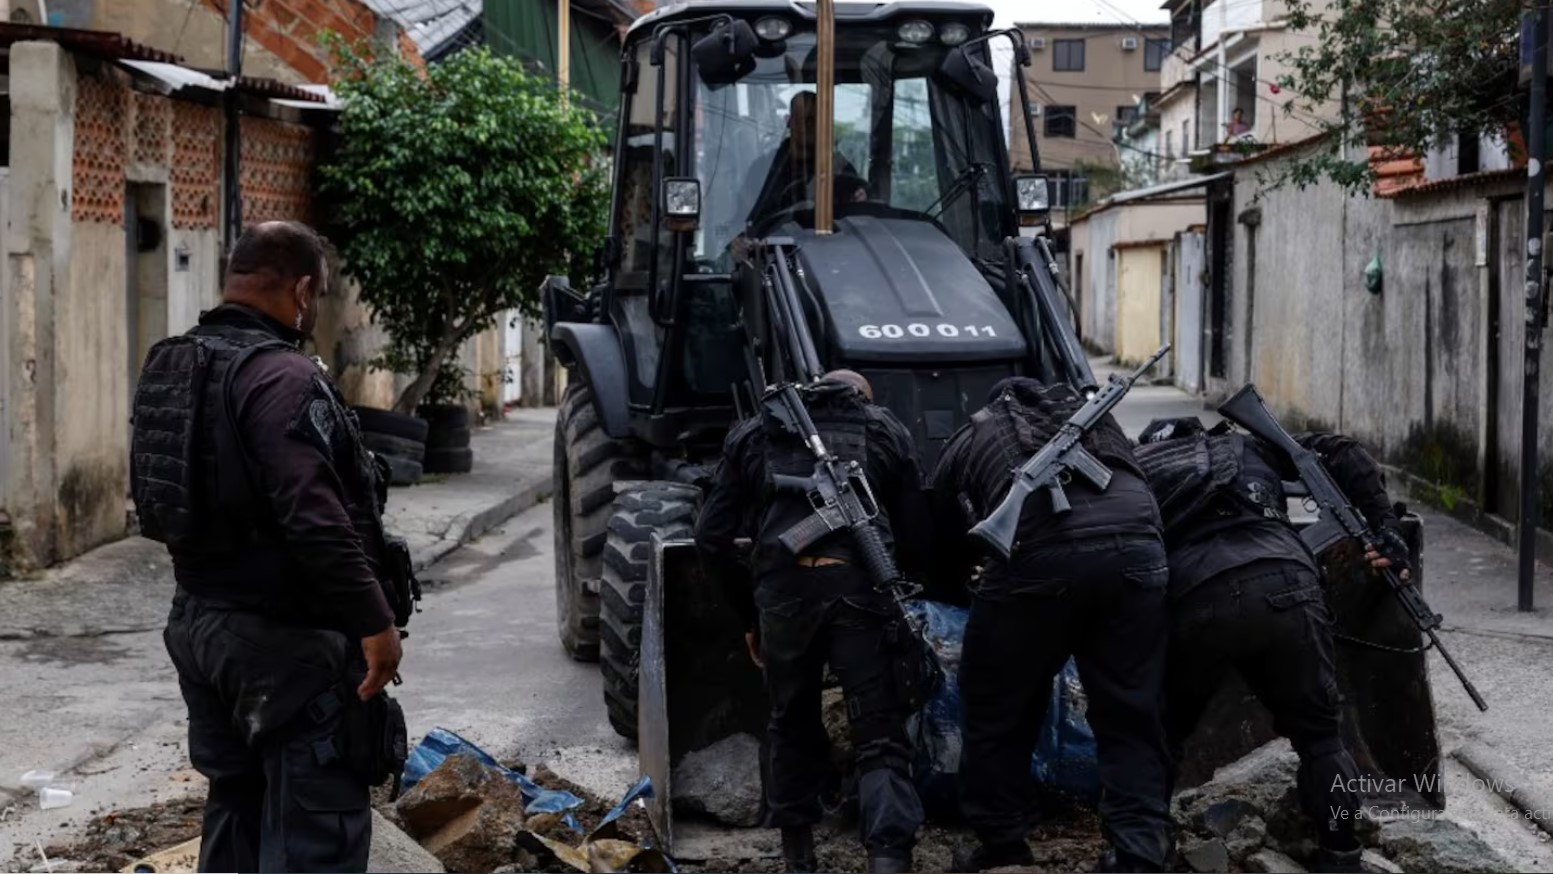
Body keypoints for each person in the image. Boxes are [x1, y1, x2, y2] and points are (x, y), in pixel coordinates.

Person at [130, 222, 408, 873]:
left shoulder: (174, 364)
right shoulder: (279, 377)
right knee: (317, 829)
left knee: (236, 805)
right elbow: (314, 519)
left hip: (200, 624)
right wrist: (376, 626)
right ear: (303, 288)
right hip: (283, 645)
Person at [1133, 417, 1411, 874]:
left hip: (1198, 595)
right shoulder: (1245, 445)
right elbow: (1345, 451)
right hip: (1288, 583)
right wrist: (1386, 529)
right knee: (1321, 738)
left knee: (1160, 736)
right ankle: (1341, 856)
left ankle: (1151, 851)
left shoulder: (1137, 465)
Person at [932, 377, 1175, 874]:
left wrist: (965, 594)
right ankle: (1139, 850)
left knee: (995, 706)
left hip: (1035, 563)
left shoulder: (974, 434)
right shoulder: (1102, 426)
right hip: (1137, 554)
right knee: (1131, 710)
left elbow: (936, 534)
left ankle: (1003, 843)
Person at [695, 371, 931, 874]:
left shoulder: (755, 432)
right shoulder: (884, 429)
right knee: (880, 729)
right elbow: (918, 532)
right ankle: (888, 857)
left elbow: (710, 537)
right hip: (862, 592)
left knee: (790, 721)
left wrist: (749, 614)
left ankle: (798, 856)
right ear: (860, 400)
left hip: (784, 596)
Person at [743, 90, 869, 225]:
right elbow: (746, 220)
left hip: (830, 243)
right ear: (789, 122)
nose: (811, 126)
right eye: (806, 120)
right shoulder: (765, 169)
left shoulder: (840, 168)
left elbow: (858, 213)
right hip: (776, 243)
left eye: (817, 121)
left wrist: (861, 196)